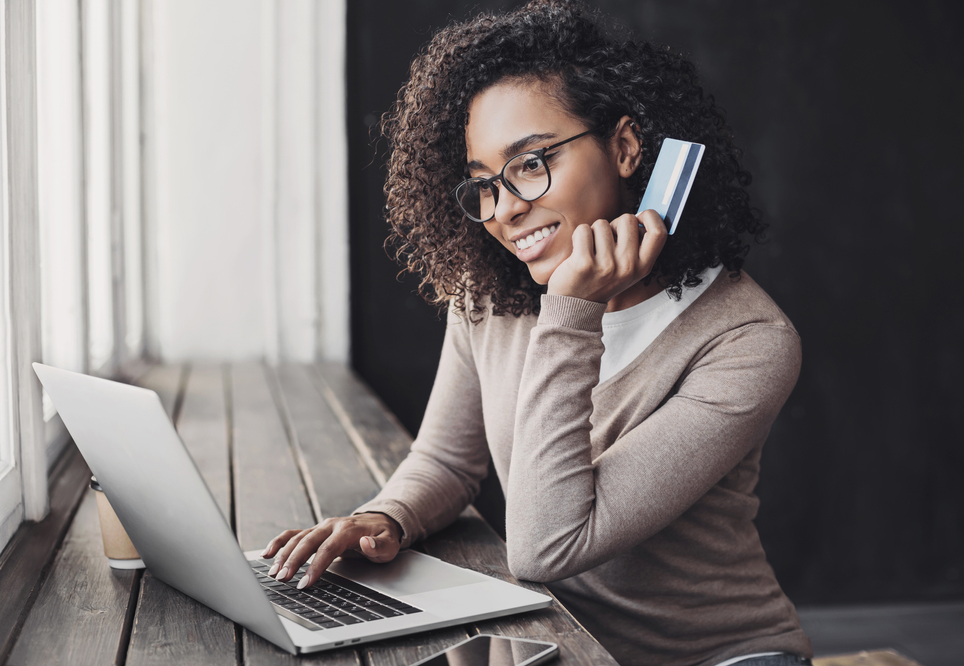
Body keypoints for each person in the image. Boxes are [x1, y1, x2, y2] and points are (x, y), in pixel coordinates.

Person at [262, 1, 814, 664]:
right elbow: (447, 461)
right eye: (483, 185)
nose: (507, 209)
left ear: (626, 146)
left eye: (531, 163)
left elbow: (547, 544)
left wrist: (573, 309)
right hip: (555, 646)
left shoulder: (747, 341)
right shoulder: (490, 297)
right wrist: (387, 516)